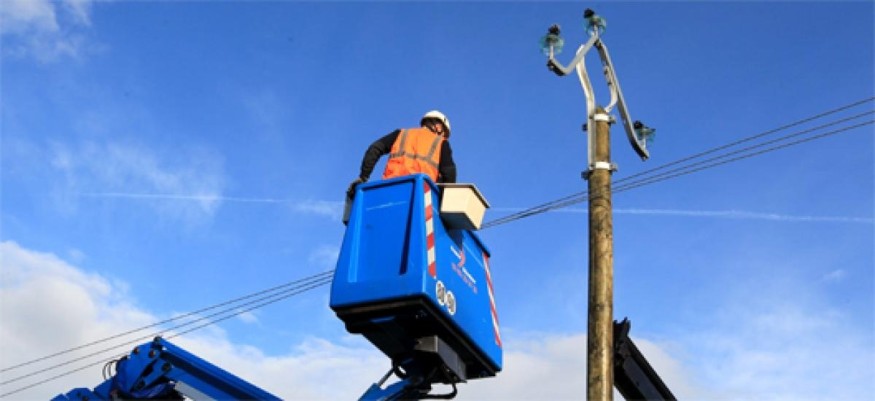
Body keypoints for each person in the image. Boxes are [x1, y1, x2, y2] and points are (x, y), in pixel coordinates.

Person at [347, 110, 457, 198]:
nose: (443, 137)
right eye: (444, 133)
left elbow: (374, 148)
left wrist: (363, 177)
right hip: (421, 194)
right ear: (438, 127)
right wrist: (444, 200)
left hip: (390, 188)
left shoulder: (401, 134)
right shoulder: (441, 143)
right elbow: (449, 174)